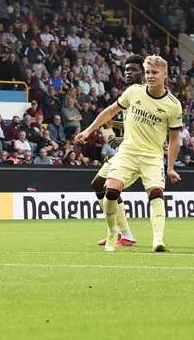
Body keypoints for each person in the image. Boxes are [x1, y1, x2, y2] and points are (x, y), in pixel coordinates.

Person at [75, 55, 183, 252]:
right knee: (107, 188)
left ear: (165, 75)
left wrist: (170, 167)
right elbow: (116, 114)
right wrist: (89, 130)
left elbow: (170, 136)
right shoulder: (132, 92)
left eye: (152, 72)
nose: (149, 76)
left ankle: (155, 239)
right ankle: (116, 232)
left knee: (155, 193)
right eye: (148, 72)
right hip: (128, 153)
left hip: (150, 156)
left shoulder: (173, 105)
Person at [91, 55, 142, 247]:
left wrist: (123, 137)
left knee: (107, 187)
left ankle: (123, 233)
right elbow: (133, 123)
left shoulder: (146, 94)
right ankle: (121, 232)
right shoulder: (129, 93)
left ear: (143, 73)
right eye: (126, 70)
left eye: (133, 70)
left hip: (138, 151)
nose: (128, 73)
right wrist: (116, 123)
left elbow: (147, 127)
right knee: (98, 184)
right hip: (126, 149)